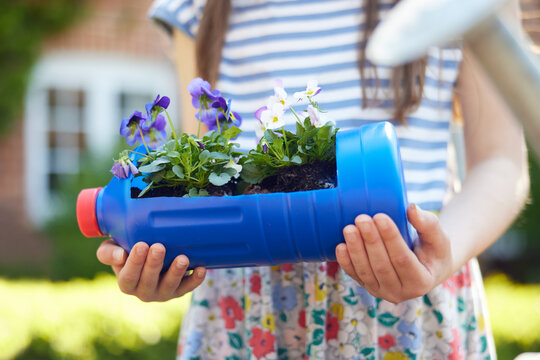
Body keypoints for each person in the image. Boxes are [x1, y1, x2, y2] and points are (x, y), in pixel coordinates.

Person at [97, 0, 529, 358]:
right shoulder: (200, 7)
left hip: (412, 285)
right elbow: (202, 178)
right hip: (250, 307)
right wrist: (172, 259)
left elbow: (501, 161)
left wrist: (438, 257)